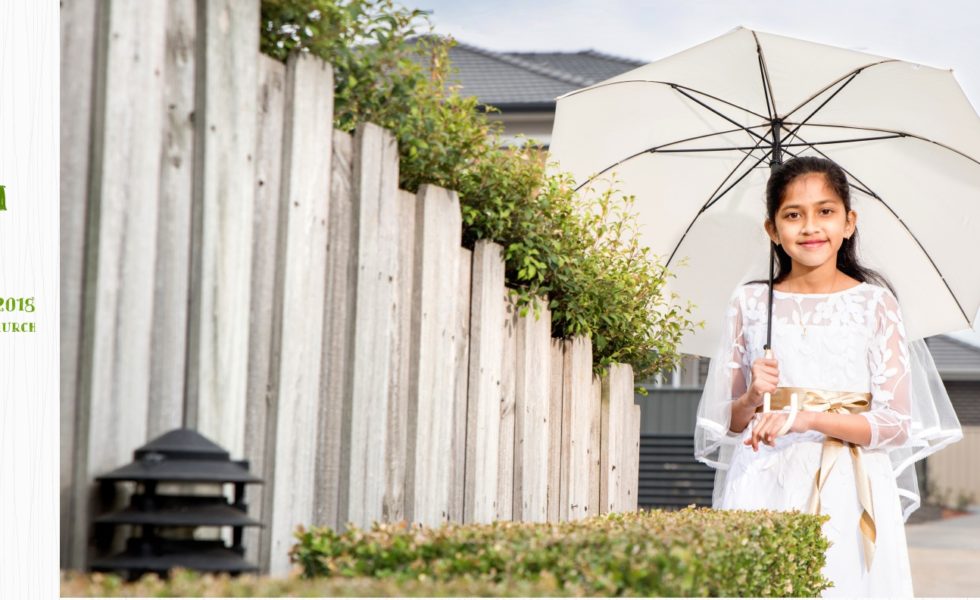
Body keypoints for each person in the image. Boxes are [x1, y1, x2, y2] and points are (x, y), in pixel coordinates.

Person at [693, 156, 963, 597]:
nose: (810, 226)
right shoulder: (750, 303)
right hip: (765, 478)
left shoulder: (876, 305)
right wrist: (752, 397)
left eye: (825, 211)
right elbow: (726, 423)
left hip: (850, 486)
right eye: (792, 215)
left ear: (848, 221)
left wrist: (808, 419)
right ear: (772, 230)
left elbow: (895, 425)